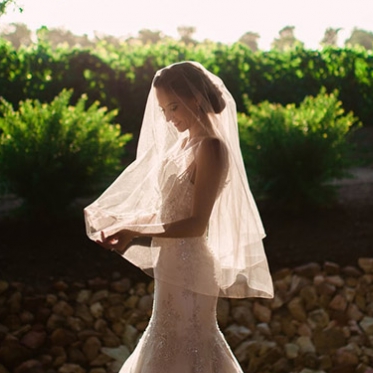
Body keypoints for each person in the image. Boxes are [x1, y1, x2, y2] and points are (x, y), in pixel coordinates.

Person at [84, 61, 273, 372]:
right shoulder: (182, 145)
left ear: (196, 97)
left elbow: (197, 223)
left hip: (192, 267)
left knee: (189, 349)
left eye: (173, 106)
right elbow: (168, 209)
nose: (169, 118)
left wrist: (135, 232)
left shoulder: (211, 148)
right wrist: (122, 225)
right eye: (163, 110)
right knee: (167, 345)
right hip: (170, 264)